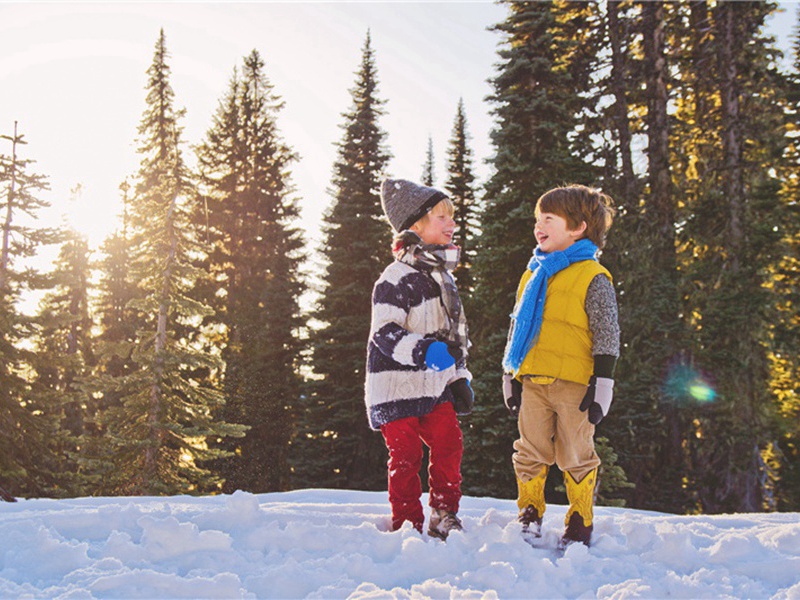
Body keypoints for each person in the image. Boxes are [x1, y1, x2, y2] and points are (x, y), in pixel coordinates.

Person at [501, 184, 619, 547]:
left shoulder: (592, 276)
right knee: (530, 449)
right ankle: (530, 512)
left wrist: (603, 383)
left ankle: (580, 520)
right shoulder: (532, 275)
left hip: (574, 385)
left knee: (576, 453)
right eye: (537, 219)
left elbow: (607, 332)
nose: (539, 226)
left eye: (548, 219)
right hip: (533, 379)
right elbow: (517, 326)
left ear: (578, 227)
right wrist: (510, 373)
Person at [365, 178, 473, 540]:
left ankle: (444, 512)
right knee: (407, 455)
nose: (451, 224)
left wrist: (458, 377)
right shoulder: (395, 278)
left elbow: (454, 338)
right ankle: (407, 523)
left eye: (452, 217)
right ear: (416, 226)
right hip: (394, 387)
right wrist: (424, 351)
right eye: (441, 216)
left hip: (433, 385)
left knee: (449, 442)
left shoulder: (444, 280)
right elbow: (384, 333)